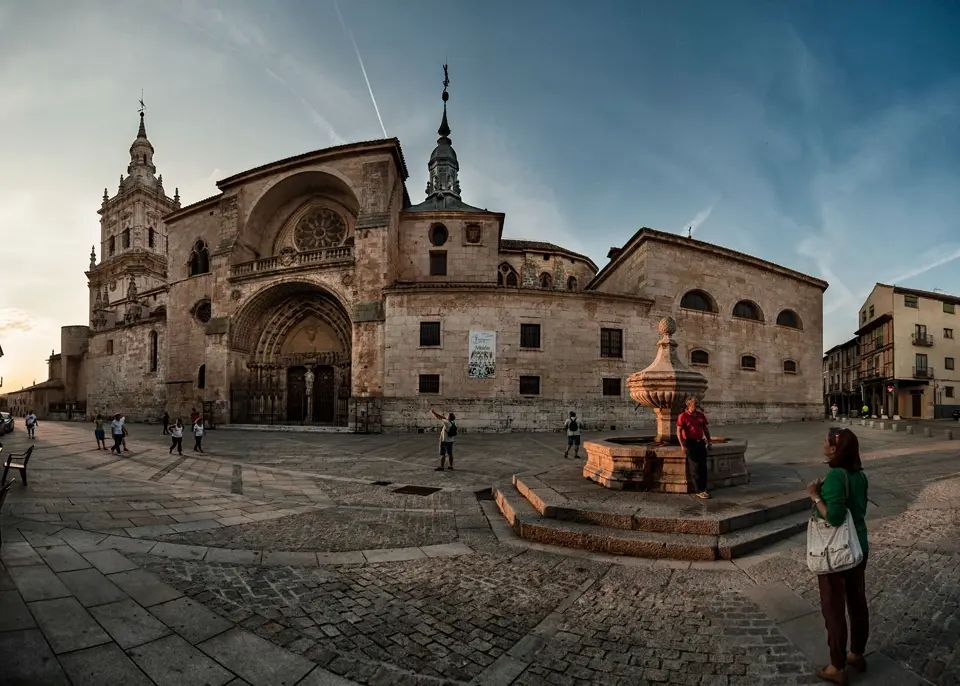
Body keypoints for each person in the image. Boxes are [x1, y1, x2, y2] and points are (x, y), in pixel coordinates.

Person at [807, 427, 870, 685]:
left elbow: (833, 517)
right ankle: (856, 653)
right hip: (859, 547)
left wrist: (814, 495)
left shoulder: (834, 476)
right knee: (857, 602)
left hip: (837, 552)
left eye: (826, 441)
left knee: (833, 609)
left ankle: (837, 666)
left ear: (835, 449)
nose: (822, 443)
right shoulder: (860, 476)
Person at [676, 396, 712, 499]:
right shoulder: (683, 416)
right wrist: (682, 445)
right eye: (694, 404)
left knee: (703, 466)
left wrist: (709, 442)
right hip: (690, 443)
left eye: (696, 404)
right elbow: (678, 432)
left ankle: (704, 488)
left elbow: (705, 429)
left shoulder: (700, 415)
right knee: (695, 467)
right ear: (689, 405)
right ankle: (699, 490)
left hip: (700, 442)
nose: (696, 406)